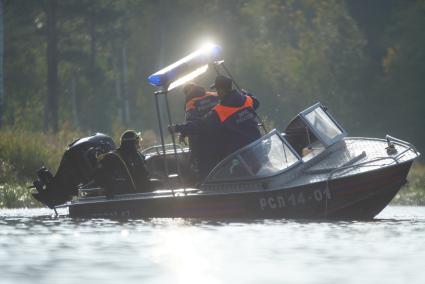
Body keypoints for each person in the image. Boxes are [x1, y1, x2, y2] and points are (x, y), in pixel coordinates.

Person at [169, 75, 261, 179]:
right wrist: (243, 93)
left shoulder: (219, 111)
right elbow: (256, 101)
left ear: (221, 90)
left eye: (217, 89)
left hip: (241, 155)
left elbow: (200, 125)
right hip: (258, 149)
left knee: (227, 175)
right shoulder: (247, 100)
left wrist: (178, 128)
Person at [96, 130, 150, 197]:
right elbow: (144, 175)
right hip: (129, 196)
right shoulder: (117, 158)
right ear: (132, 144)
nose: (139, 146)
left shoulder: (114, 156)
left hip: (126, 195)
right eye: (137, 143)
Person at [182, 83, 219, 177]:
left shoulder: (190, 103)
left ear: (186, 93)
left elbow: (192, 125)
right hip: (222, 137)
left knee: (206, 173)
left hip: (203, 144)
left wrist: (183, 133)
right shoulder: (214, 95)